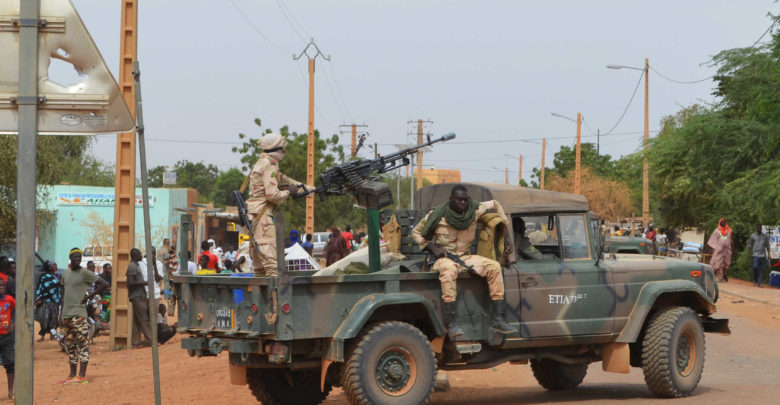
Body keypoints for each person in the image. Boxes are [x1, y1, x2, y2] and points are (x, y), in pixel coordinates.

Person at [412, 185, 516, 338]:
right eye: (459, 199)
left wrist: (507, 235)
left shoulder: (474, 210)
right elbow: (415, 232)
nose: (462, 203)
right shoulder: (437, 214)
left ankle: (498, 319)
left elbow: (495, 203)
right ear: (451, 200)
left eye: (465, 200)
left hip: (465, 256)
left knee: (494, 267)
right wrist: (431, 246)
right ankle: (451, 322)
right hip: (443, 258)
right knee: (450, 269)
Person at [246, 132, 313, 276]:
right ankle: (275, 298)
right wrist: (289, 193)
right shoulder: (268, 165)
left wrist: (306, 188)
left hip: (254, 217)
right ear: (277, 149)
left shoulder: (262, 163)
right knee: (272, 266)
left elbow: (283, 179)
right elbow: (273, 195)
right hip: (263, 219)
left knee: (259, 268)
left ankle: (262, 298)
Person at [60, 247, 109, 384]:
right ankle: (72, 374)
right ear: (70, 258)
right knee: (70, 345)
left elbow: (104, 284)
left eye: (79, 257)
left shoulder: (85, 273)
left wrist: (90, 296)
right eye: (75, 257)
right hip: (67, 315)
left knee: (82, 344)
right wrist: (61, 314)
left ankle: (82, 376)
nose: (77, 259)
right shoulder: (65, 274)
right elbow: (63, 294)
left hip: (79, 314)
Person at [125, 248, 153, 349]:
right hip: (137, 296)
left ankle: (136, 342)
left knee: (137, 321)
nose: (141, 256)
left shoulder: (136, 266)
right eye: (140, 254)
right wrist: (144, 283)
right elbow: (130, 282)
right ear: (135, 255)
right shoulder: (132, 267)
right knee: (143, 318)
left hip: (139, 295)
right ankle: (151, 340)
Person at [34, 261, 62, 342]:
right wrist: (38, 298)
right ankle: (42, 336)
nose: (56, 266)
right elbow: (42, 287)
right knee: (44, 318)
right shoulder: (44, 276)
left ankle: (52, 335)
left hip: (55, 301)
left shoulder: (57, 276)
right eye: (54, 265)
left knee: (54, 318)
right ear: (49, 267)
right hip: (46, 301)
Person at [0, 278, 14, 399]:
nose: (1, 287)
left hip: (6, 336)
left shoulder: (9, 299)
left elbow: (19, 308)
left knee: (10, 363)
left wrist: (13, 322)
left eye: (3, 285)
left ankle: (10, 392)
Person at [707, 218, 733, 282]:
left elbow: (731, 240)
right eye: (722, 222)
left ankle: (724, 274)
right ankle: (720, 277)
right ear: (720, 223)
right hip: (719, 250)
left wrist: (732, 246)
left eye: (725, 222)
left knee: (727, 263)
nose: (723, 223)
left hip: (727, 249)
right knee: (719, 264)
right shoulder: (716, 231)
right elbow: (712, 240)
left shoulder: (729, 231)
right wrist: (713, 249)